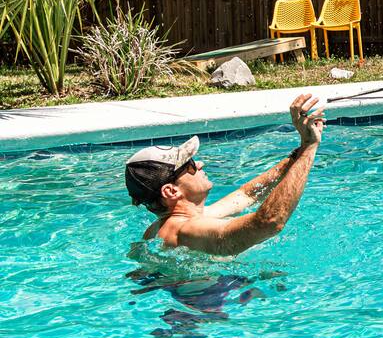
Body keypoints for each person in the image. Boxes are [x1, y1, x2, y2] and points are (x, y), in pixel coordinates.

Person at [125, 94, 325, 255]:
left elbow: (247, 195)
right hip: (217, 293)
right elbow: (268, 222)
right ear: (171, 191)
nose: (200, 164)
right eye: (190, 165)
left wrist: (301, 149)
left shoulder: (158, 229)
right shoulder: (188, 230)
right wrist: (310, 147)